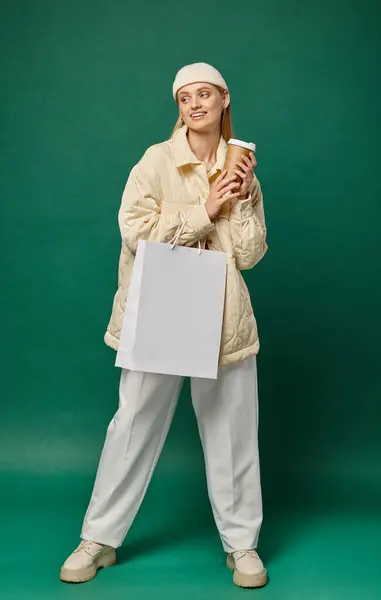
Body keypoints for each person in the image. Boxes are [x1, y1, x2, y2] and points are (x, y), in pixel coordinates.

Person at [60, 62, 268, 589]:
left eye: (204, 94)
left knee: (232, 429)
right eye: (183, 98)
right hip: (161, 308)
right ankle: (99, 539)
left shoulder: (243, 169)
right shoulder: (156, 161)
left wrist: (240, 200)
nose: (194, 104)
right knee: (133, 422)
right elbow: (134, 231)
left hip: (223, 317)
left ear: (224, 100)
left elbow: (249, 253)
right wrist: (205, 208)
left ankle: (242, 544)